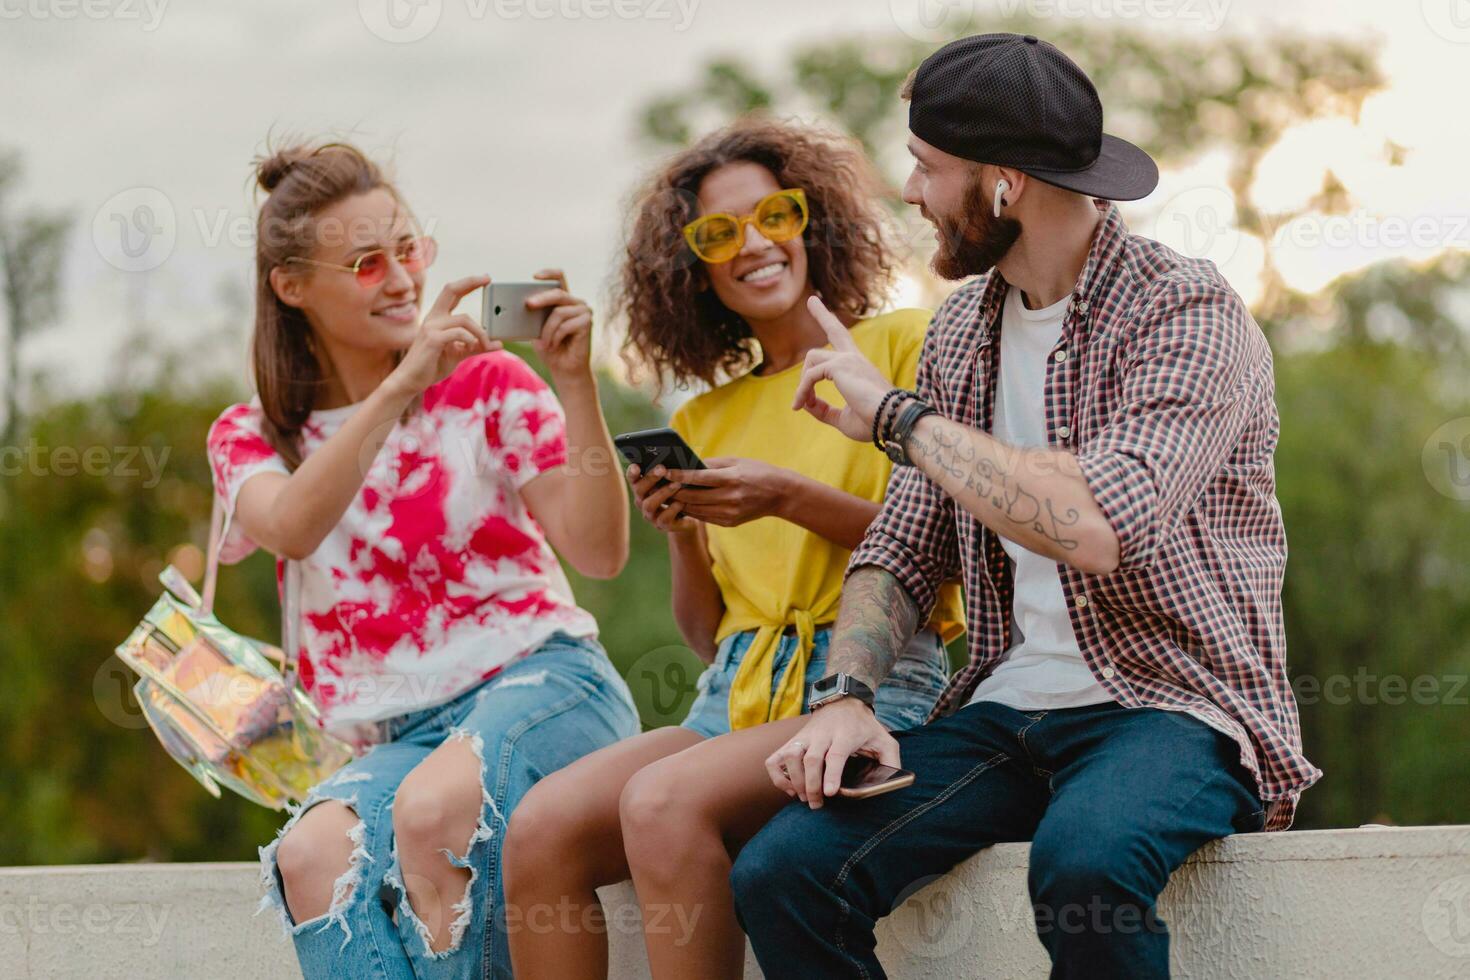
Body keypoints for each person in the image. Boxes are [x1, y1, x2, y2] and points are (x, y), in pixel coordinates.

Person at [729, 34, 1320, 980]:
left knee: (1083, 866)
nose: (911, 191)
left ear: (1004, 184)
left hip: (1171, 706)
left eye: (928, 167)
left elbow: (1097, 527)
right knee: (781, 873)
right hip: (1003, 711)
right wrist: (846, 699)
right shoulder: (963, 327)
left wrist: (897, 419)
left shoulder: (1186, 313)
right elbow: (905, 544)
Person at [502, 118, 963, 979]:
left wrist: (787, 499)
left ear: (810, 223)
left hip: (869, 682)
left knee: (664, 801)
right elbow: (711, 636)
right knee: (542, 827)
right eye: (718, 233)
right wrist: (683, 535)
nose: (752, 244)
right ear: (694, 268)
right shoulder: (700, 419)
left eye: (773, 215)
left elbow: (949, 545)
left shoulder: (900, 346)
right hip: (737, 693)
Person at [206, 140, 638, 980]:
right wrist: (401, 383)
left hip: (543, 685)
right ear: (292, 288)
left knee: (437, 810)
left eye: (410, 250)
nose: (403, 280)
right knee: (312, 854)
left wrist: (577, 386)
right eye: (368, 264)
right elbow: (292, 525)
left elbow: (600, 551)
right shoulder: (252, 434)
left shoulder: (490, 385)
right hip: (389, 737)